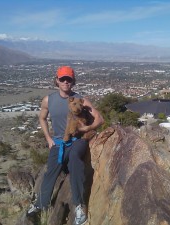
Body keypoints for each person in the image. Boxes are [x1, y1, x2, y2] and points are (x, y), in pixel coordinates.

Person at [27, 65, 104, 225]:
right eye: (62, 79)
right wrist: (48, 138)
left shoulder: (80, 99)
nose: (65, 82)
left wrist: (87, 128)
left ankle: (79, 207)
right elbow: (42, 118)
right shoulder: (49, 100)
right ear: (57, 80)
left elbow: (100, 119)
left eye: (68, 79)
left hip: (78, 140)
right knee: (51, 171)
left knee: (75, 160)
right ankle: (41, 204)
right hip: (59, 141)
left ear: (73, 81)